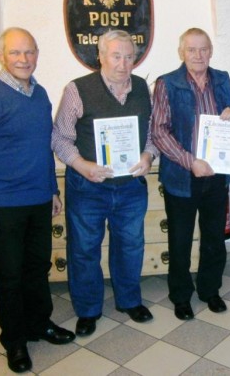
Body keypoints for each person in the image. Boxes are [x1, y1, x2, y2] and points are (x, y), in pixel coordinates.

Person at [0, 27, 75, 373]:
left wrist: (52, 191)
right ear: (1, 55)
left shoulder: (39, 94)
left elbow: (42, 147)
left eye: (30, 52)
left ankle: (39, 324)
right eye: (15, 53)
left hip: (39, 199)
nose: (24, 59)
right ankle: (14, 341)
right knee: (9, 275)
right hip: (4, 205)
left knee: (37, 267)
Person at [52, 30, 157, 336]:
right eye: (116, 56)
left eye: (129, 56)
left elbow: (152, 135)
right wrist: (81, 165)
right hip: (88, 187)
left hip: (130, 187)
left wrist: (149, 156)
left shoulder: (141, 88)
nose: (124, 64)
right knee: (84, 249)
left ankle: (128, 300)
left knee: (131, 245)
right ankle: (88, 310)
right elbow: (59, 137)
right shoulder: (77, 89)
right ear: (100, 56)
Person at [151, 28, 230, 321]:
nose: (198, 55)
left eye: (203, 49)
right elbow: (159, 131)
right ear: (182, 52)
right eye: (192, 50)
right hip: (181, 177)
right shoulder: (167, 83)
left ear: (211, 51)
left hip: (216, 175)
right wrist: (190, 162)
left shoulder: (222, 78)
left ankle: (210, 290)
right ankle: (181, 296)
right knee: (180, 240)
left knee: (214, 238)